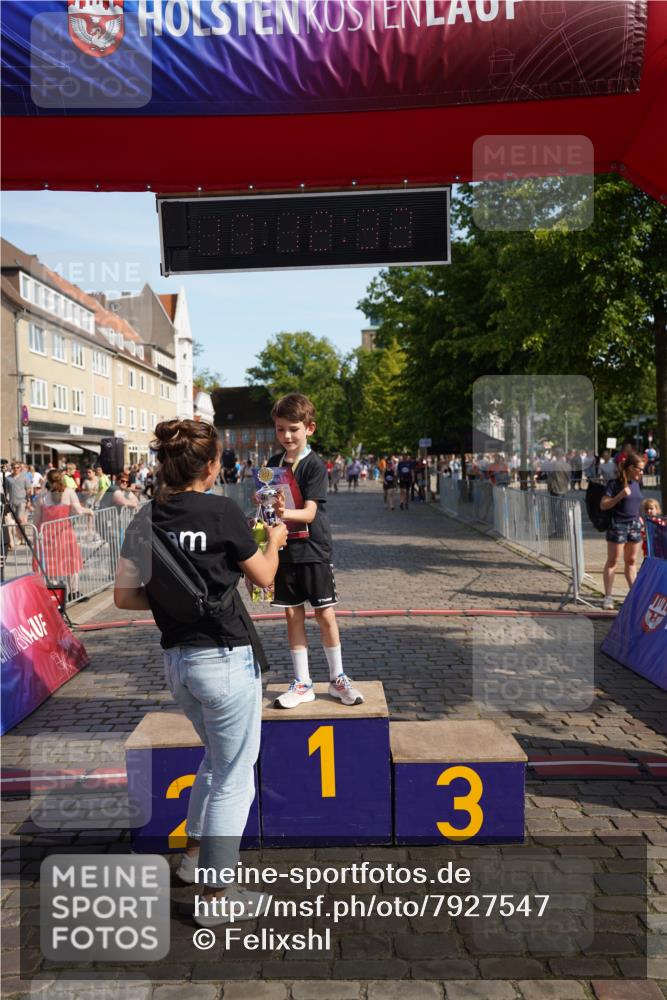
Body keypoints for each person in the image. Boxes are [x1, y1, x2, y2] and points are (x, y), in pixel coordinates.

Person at [114, 418, 287, 925]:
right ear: (212, 466)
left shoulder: (144, 519)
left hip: (179, 663)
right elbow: (265, 577)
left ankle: (193, 858)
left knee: (215, 760)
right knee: (236, 778)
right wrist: (274, 538)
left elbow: (124, 597)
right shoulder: (223, 511)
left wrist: (173, 601)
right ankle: (216, 897)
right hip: (227, 659)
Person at [267, 393, 363, 709]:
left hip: (312, 548)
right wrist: (263, 508)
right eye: (281, 429)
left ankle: (337, 679)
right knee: (292, 614)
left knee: (324, 614)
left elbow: (308, 513)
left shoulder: (314, 465)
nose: (287, 436)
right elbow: (270, 508)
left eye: (293, 429)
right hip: (285, 549)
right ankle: (303, 683)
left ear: (310, 428)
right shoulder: (272, 464)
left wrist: (279, 511)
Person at [32, 469, 93, 599]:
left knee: (50, 564)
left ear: (47, 480)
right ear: (62, 478)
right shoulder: (69, 492)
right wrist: (90, 511)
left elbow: (36, 520)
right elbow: (79, 511)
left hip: (46, 534)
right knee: (72, 563)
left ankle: (55, 595)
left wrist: (34, 537)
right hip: (65, 533)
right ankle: (74, 592)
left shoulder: (41, 497)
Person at [600, 452, 645, 610]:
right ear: (631, 468)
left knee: (632, 561)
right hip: (618, 525)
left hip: (634, 525)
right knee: (613, 561)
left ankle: (633, 595)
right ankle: (608, 597)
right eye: (640, 469)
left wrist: (639, 517)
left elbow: (635, 503)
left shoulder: (637, 483)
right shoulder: (614, 484)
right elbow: (604, 505)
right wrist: (620, 496)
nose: (642, 473)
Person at [4, 461, 32, 548]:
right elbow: (6, 491)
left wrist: (29, 501)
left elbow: (28, 490)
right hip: (12, 502)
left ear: (20, 468)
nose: (16, 469)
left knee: (20, 519)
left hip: (22, 501)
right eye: (14, 468)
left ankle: (24, 537)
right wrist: (6, 501)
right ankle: (20, 538)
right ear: (11, 468)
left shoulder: (24, 477)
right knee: (15, 521)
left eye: (18, 467)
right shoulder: (8, 478)